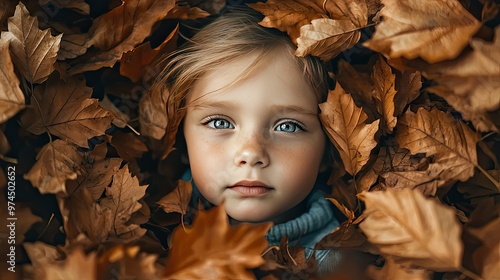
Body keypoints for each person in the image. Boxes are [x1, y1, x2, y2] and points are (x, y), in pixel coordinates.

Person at [152, 6, 343, 275]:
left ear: (327, 150)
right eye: (220, 122)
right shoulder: (149, 231)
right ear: (181, 140)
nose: (251, 152)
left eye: (287, 126)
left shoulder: (340, 264)